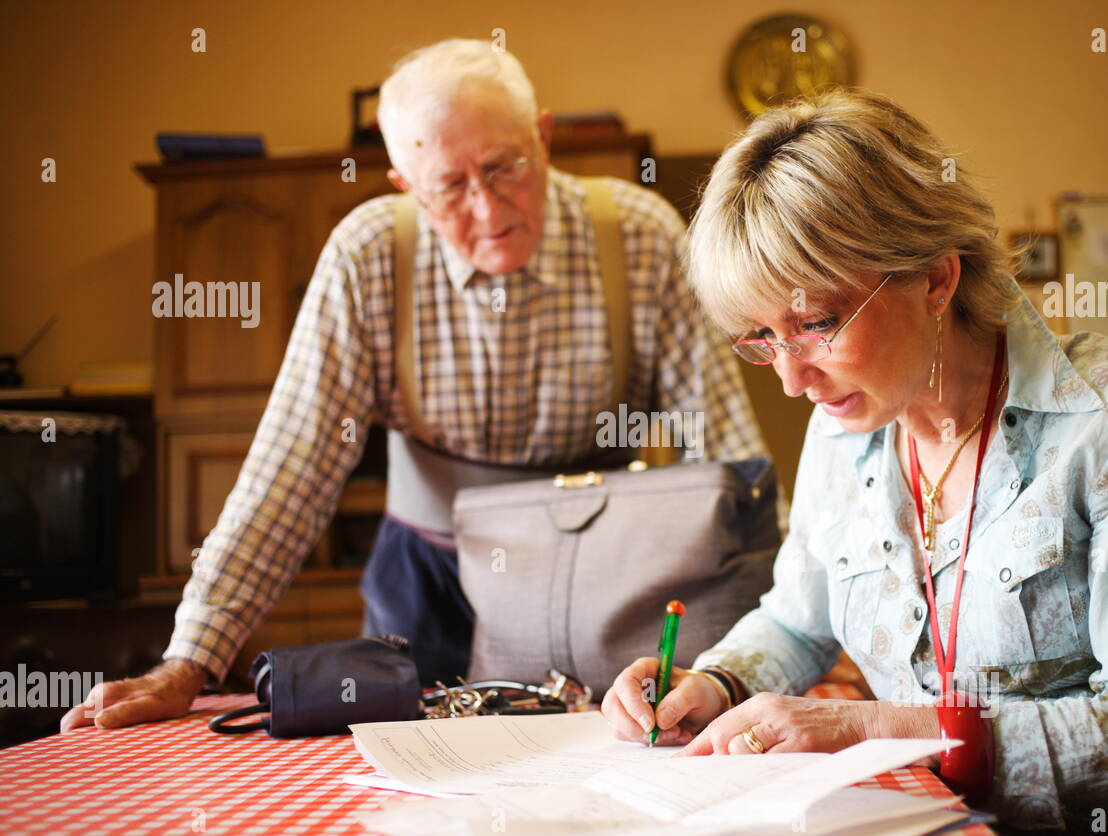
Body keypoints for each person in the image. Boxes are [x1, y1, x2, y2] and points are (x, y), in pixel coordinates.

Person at [602, 88, 1108, 836]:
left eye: (816, 323)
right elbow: (796, 619)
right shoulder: (842, 431)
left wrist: (875, 728)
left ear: (936, 278)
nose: (792, 380)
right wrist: (712, 684)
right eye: (762, 338)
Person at [61, 39, 767, 733]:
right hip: (424, 581)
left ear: (543, 137)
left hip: (602, 575)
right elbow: (288, 474)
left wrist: (777, 644)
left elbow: (726, 454)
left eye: (504, 168)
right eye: (452, 188)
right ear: (406, 187)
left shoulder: (640, 236)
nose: (489, 211)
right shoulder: (369, 255)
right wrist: (190, 661)